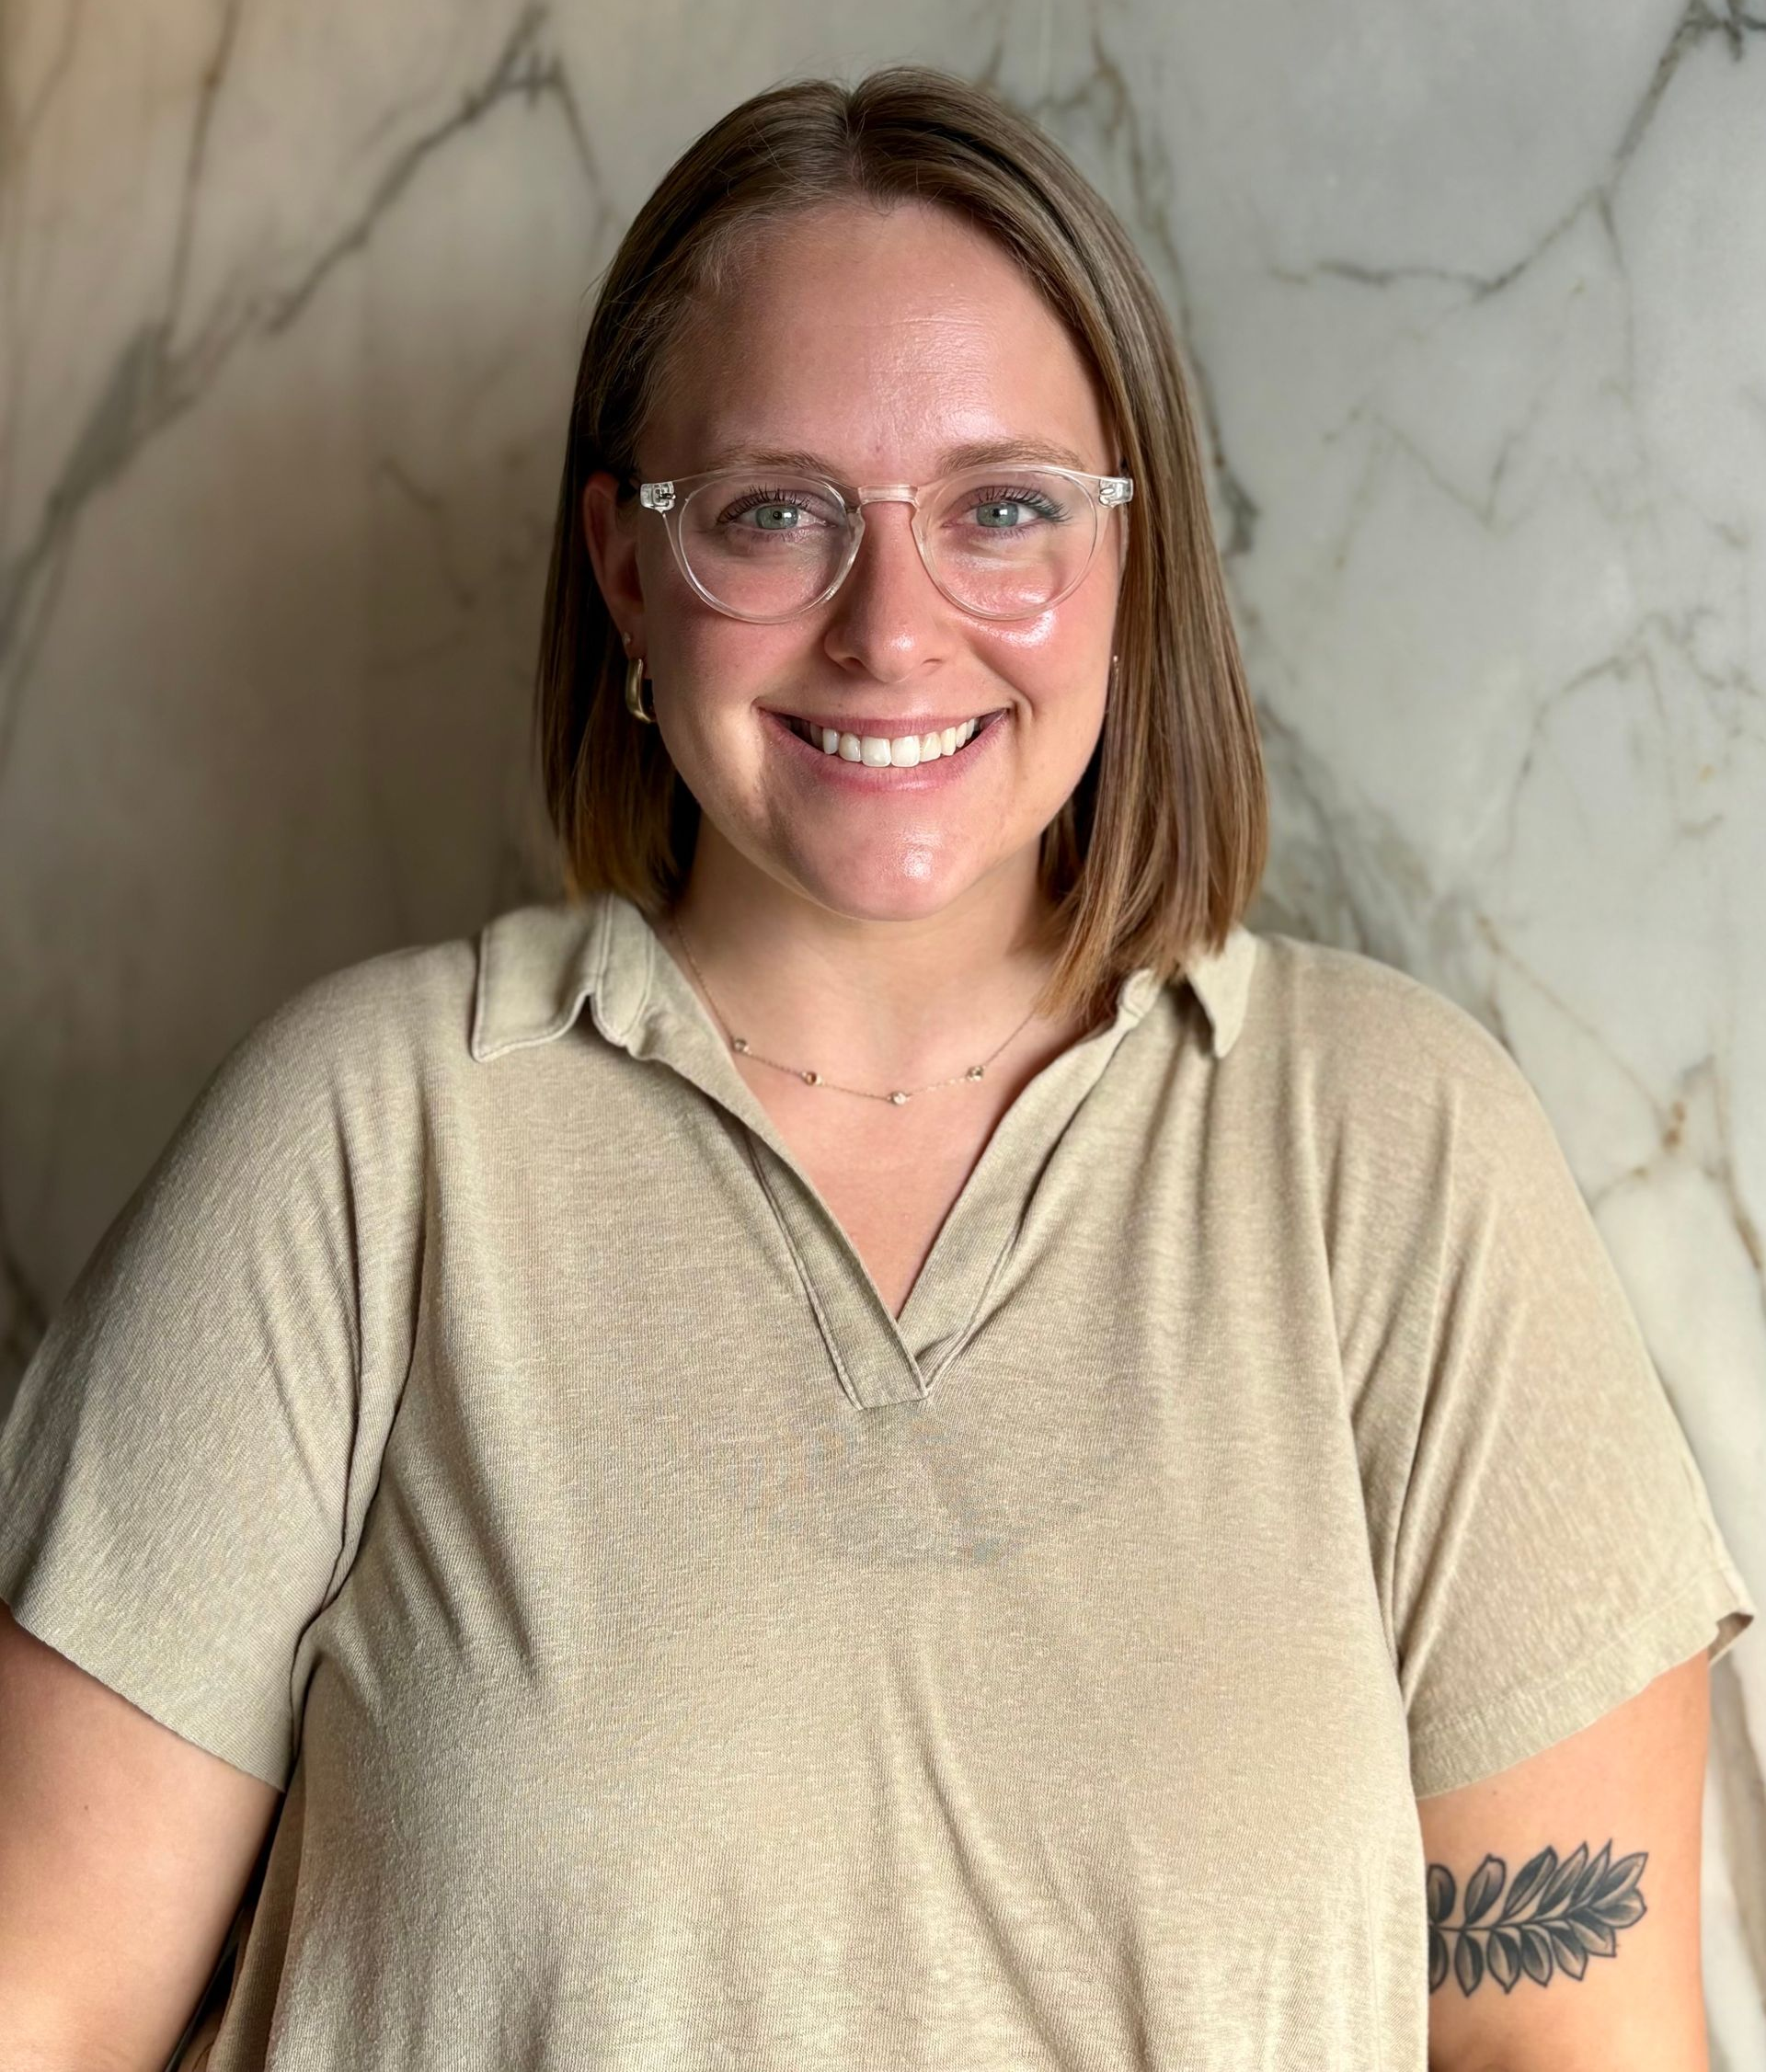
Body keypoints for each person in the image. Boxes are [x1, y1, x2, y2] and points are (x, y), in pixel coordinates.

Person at [0, 63, 1754, 2072]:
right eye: (775, 514)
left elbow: (1579, 2043)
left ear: (1132, 565)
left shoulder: (1395, 1157)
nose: (891, 628)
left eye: (1003, 509)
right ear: (625, 569)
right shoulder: (368, 1142)